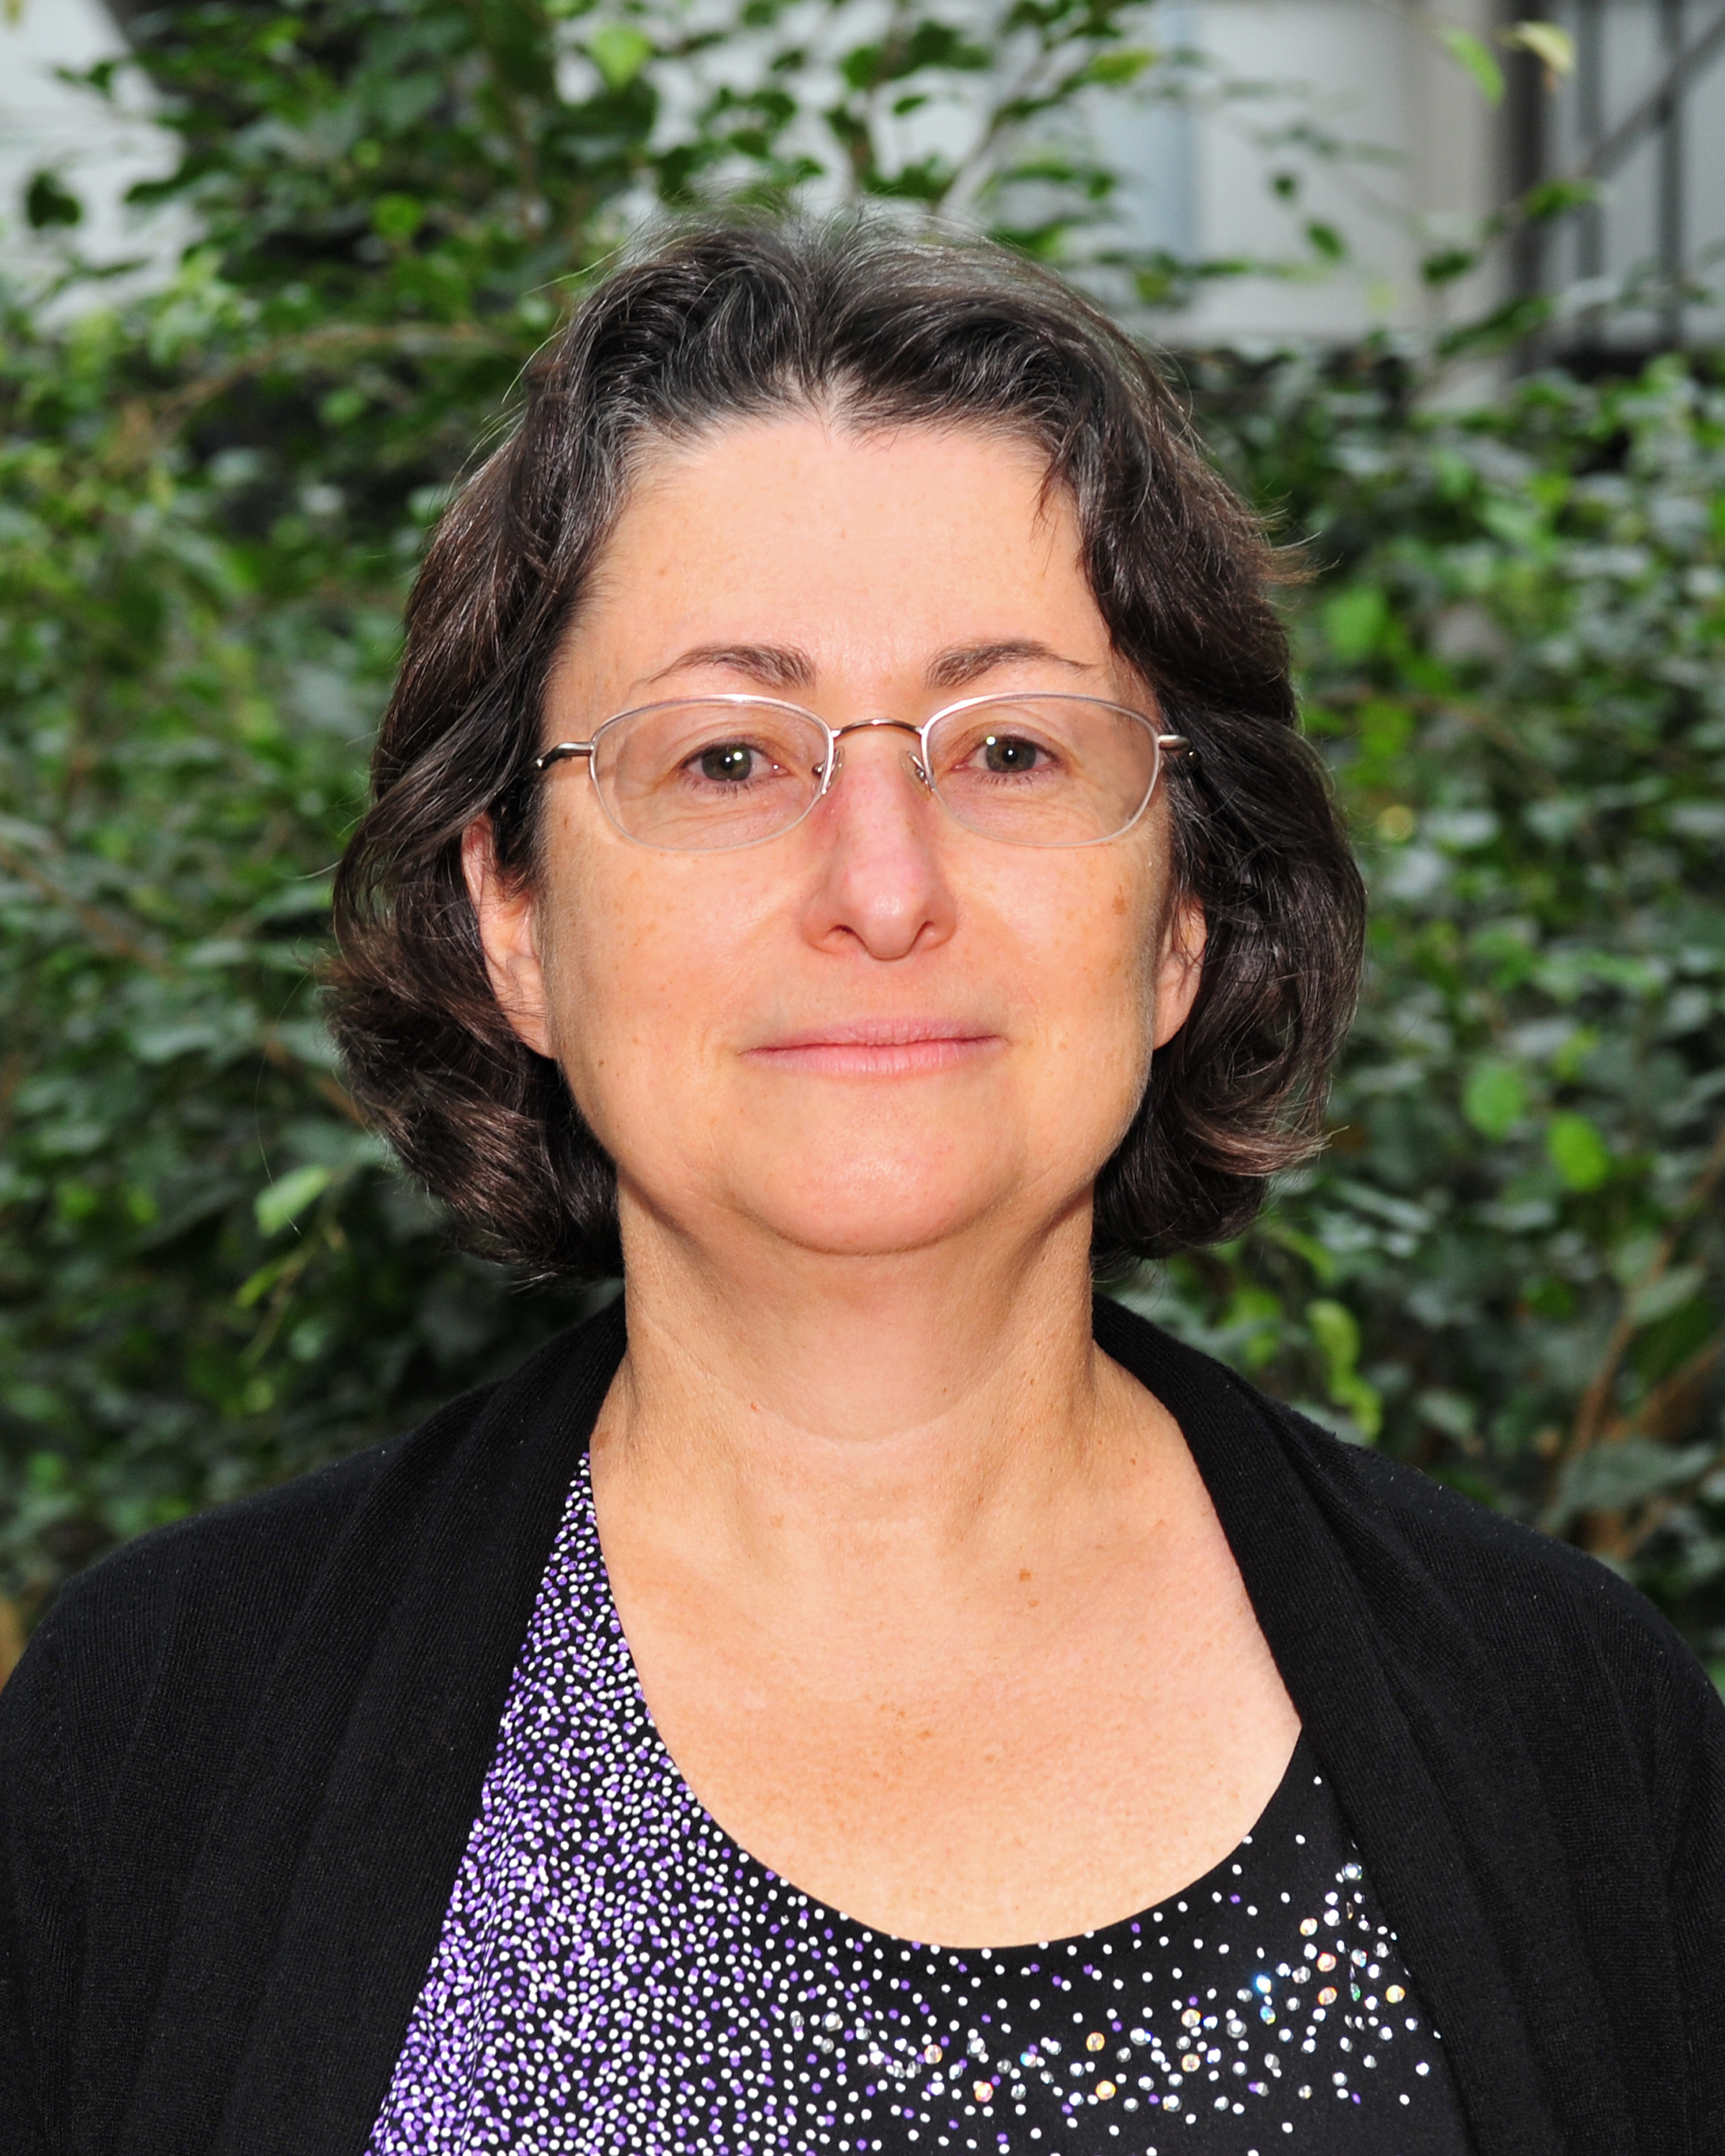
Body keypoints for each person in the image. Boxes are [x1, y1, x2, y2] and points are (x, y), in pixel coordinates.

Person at [1, 221, 1720, 2156]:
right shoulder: (161, 1733)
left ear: (1185, 915)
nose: (884, 887)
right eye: (731, 758)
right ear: (515, 920)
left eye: (1012, 748)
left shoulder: (1577, 1730)